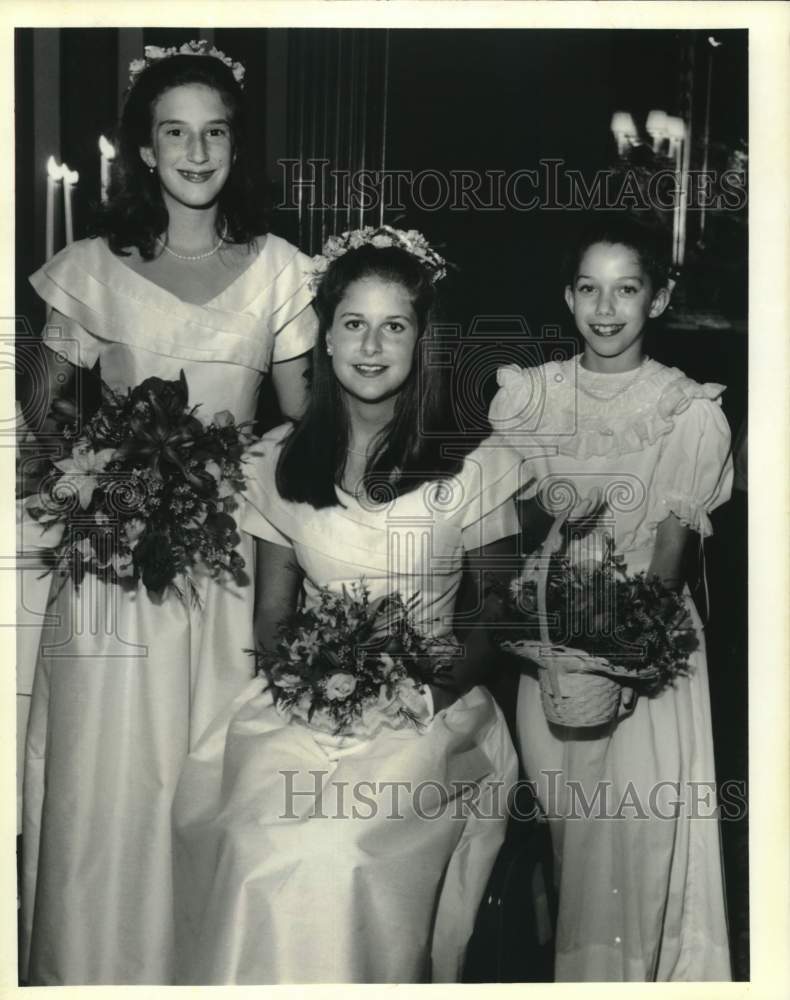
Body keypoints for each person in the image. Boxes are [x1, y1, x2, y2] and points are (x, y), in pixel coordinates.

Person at [20, 44, 317, 984]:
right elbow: (44, 417)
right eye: (175, 133)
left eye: (215, 132)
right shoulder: (94, 266)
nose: (196, 152)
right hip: (118, 565)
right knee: (115, 787)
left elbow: (312, 423)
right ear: (143, 151)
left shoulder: (280, 268)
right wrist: (109, 479)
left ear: (237, 145)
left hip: (232, 567)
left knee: (212, 774)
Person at [171, 227, 526, 984]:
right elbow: (272, 616)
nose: (371, 345)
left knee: (337, 849)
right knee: (257, 841)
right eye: (353, 324)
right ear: (325, 338)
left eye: (394, 325)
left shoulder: (478, 460)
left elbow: (498, 609)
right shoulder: (278, 458)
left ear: (422, 340)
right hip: (306, 706)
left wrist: (431, 690)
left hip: (433, 705)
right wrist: (306, 689)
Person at [489, 213, 733, 981]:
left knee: (632, 843)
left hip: (644, 644)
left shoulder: (689, 412)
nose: (606, 307)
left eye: (626, 289)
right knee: (571, 831)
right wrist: (546, 522)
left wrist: (628, 651)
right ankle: (555, 917)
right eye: (589, 288)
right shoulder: (530, 397)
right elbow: (499, 521)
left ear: (658, 300)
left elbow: (668, 558)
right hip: (552, 641)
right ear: (567, 297)